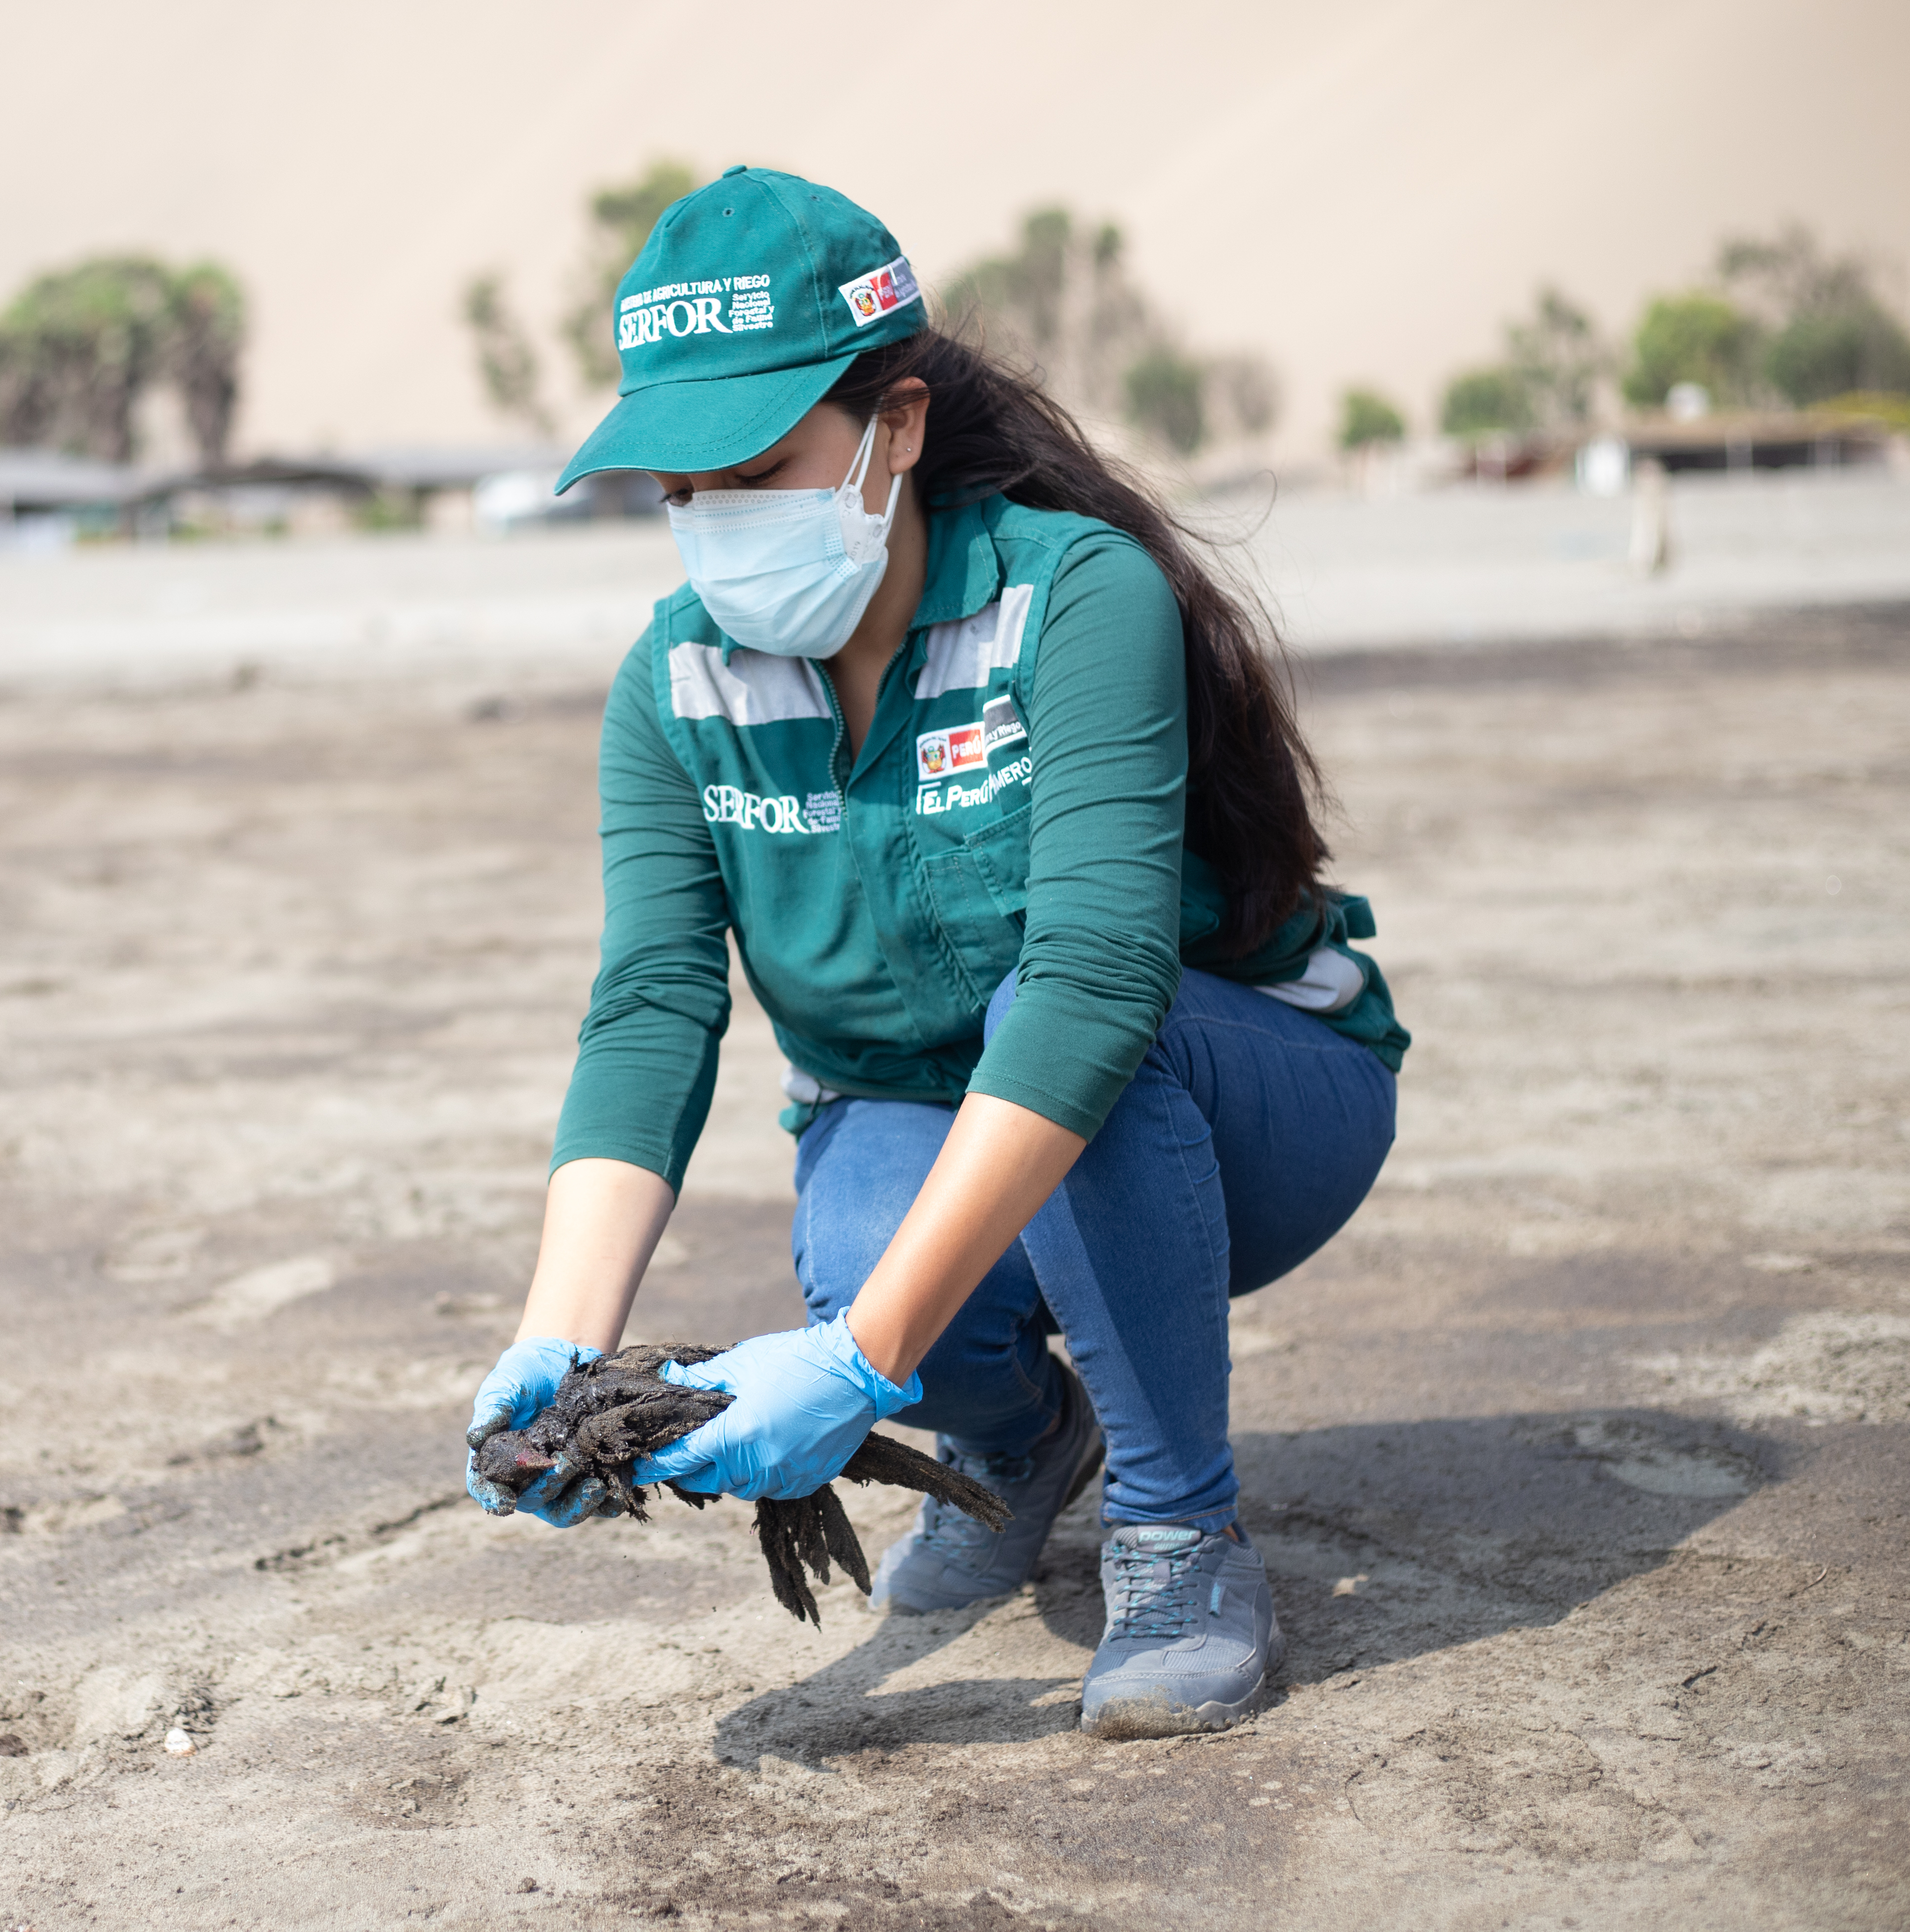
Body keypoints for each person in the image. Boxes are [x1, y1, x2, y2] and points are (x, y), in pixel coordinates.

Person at [462, 168, 1407, 1740]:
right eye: (675, 492)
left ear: (893, 429)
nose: (711, 524)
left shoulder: (1071, 597)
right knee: (849, 1214)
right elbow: (651, 1004)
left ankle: (1181, 1536)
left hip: (1252, 1105)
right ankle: (1027, 1445)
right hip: (956, 1104)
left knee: (1065, 1021)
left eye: (755, 469)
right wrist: (556, 1334)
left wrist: (855, 1368)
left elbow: (1103, 988)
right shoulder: (674, 684)